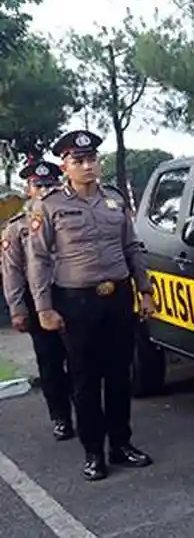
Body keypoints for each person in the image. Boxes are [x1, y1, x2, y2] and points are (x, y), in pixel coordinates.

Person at [26, 129, 157, 481]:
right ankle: (93, 452)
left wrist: (145, 291)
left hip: (118, 298)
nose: (87, 166)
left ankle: (121, 444)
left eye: (91, 159)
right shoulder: (49, 205)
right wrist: (44, 308)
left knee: (119, 376)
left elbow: (132, 248)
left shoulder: (113, 199)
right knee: (84, 379)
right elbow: (38, 260)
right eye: (78, 161)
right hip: (76, 302)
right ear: (65, 167)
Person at [2, 160, 73, 441]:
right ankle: (61, 417)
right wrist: (18, 309)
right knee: (50, 363)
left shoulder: (70, 215)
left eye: (49, 185)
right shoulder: (18, 226)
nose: (44, 190)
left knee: (80, 359)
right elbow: (12, 271)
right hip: (37, 301)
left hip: (72, 295)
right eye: (38, 185)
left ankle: (87, 411)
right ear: (28, 189)